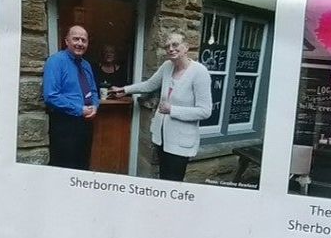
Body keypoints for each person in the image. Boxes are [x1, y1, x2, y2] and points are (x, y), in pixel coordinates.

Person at [119, 30, 214, 182]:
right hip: (162, 137)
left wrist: (172, 110)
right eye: (167, 46)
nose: (170, 49)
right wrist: (124, 90)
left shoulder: (199, 72)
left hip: (181, 141)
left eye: (175, 45)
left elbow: (205, 111)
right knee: (164, 180)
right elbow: (150, 85)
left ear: (186, 47)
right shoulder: (167, 66)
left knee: (173, 182)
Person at [41, 25, 99, 169]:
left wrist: (95, 107)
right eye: (76, 39)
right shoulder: (55, 61)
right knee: (65, 168)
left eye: (84, 40)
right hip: (65, 125)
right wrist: (80, 109)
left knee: (83, 165)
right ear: (67, 41)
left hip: (86, 124)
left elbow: (93, 91)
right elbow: (51, 96)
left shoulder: (86, 65)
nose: (80, 43)